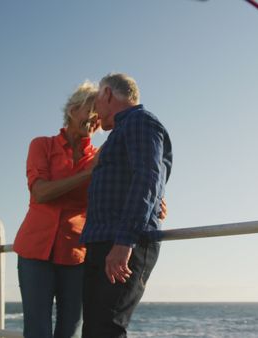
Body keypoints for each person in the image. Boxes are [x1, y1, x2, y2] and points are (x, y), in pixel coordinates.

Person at [13, 81, 167, 338]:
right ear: (72, 109)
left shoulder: (102, 155)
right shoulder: (42, 145)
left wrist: (157, 198)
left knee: (70, 330)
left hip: (77, 253)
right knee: (37, 330)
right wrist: (88, 173)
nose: (95, 119)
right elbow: (40, 192)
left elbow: (137, 179)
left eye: (98, 114)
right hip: (34, 250)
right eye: (90, 110)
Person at [80, 73, 172, 338]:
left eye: (96, 99)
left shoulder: (140, 121)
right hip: (106, 240)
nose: (95, 110)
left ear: (107, 94)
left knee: (106, 329)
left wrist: (124, 242)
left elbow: (148, 177)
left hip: (122, 242)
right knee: (95, 330)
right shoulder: (121, 131)